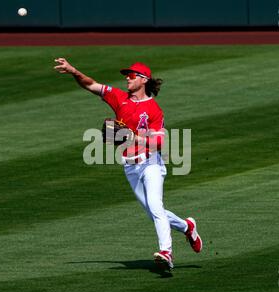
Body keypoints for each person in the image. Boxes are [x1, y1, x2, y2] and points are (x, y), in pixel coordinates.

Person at [54, 58, 202, 271]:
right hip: (130, 166)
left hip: (151, 163)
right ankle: (187, 227)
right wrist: (73, 71)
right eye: (127, 75)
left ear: (143, 80)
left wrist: (134, 137)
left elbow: (160, 142)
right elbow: (91, 85)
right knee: (153, 212)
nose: (127, 78)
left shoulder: (154, 109)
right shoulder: (119, 97)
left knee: (156, 205)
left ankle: (166, 252)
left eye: (131, 75)